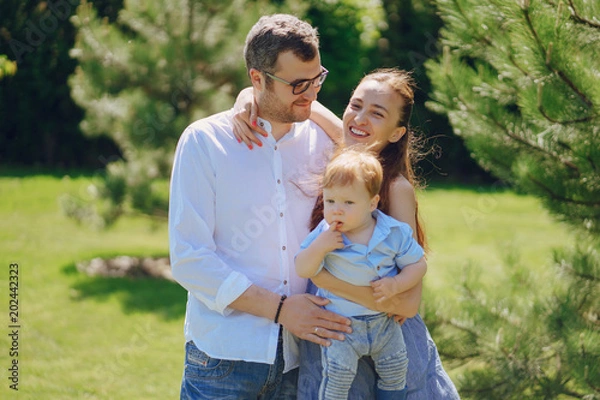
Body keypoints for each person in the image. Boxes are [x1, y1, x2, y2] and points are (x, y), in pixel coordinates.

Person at [234, 68, 460, 399]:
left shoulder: (394, 188)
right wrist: (248, 97)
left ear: (396, 133)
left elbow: (408, 304)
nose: (360, 118)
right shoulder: (346, 159)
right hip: (334, 348)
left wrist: (327, 282)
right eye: (356, 105)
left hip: (387, 349)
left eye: (377, 113)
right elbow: (303, 103)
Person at [168, 14, 354, 400]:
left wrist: (308, 106)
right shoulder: (205, 142)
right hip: (222, 360)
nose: (312, 92)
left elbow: (370, 164)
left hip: (303, 361)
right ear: (257, 79)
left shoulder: (324, 143)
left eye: (318, 78)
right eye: (298, 84)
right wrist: (282, 309)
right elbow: (189, 257)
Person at [295, 148, 427, 399]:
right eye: (330, 201)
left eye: (348, 202)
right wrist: (320, 247)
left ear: (372, 203)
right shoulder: (326, 234)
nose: (337, 210)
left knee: (396, 369)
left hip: (383, 323)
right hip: (342, 326)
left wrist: (397, 284)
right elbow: (303, 268)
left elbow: (418, 265)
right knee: (337, 377)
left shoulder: (392, 232)